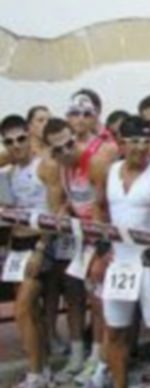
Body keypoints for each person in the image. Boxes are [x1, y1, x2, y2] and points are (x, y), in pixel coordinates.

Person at [43, 116, 118, 385]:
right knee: (84, 297)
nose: (66, 151)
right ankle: (86, 358)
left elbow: (104, 207)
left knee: (100, 303)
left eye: (69, 144)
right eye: (58, 149)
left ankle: (100, 361)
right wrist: (64, 210)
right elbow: (70, 201)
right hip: (83, 238)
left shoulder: (94, 162)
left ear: (75, 138)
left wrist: (100, 249)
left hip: (104, 238)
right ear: (51, 151)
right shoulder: (61, 168)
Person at [102, 116, 150, 388]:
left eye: (146, 141)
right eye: (134, 141)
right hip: (120, 262)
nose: (141, 147)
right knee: (115, 331)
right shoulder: (111, 170)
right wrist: (102, 247)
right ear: (121, 144)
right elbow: (99, 207)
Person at [0, 115, 60, 388]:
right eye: (10, 142)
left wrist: (41, 248)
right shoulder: (9, 172)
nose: (17, 145)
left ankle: (35, 374)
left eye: (21, 139)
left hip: (40, 242)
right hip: (17, 245)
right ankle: (43, 370)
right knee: (31, 313)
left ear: (29, 136)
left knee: (22, 308)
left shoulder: (45, 166)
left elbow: (55, 213)